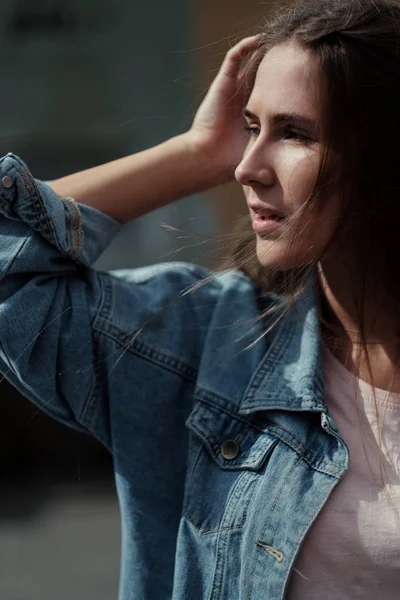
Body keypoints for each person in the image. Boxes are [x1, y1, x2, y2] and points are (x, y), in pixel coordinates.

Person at [1, 0, 400, 597]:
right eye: (250, 128)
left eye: (294, 133)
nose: (246, 166)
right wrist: (192, 154)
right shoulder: (206, 347)